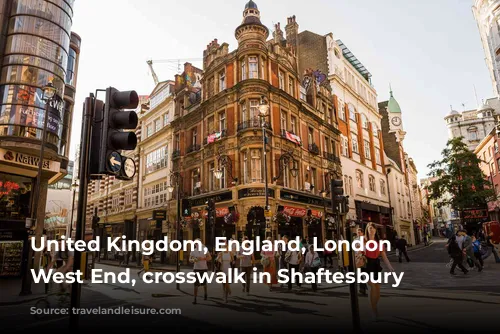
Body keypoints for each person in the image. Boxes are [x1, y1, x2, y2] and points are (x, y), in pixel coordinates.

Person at [363, 222, 394, 321]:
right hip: (366, 265)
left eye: (372, 228)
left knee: (377, 290)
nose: (371, 229)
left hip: (375, 265)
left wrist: (390, 267)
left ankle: (374, 306)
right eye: (369, 228)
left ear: (376, 230)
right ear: (367, 230)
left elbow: (384, 256)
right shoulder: (364, 240)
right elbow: (360, 252)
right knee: (372, 288)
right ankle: (373, 311)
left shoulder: (379, 242)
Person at [190, 239, 211, 304]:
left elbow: (210, 258)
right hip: (196, 269)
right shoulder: (193, 251)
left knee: (204, 283)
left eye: (197, 243)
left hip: (204, 268)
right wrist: (194, 260)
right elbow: (190, 259)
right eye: (195, 243)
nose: (196, 244)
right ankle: (195, 299)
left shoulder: (204, 249)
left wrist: (203, 259)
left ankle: (205, 294)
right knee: (196, 285)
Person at [354, 227, 367, 296]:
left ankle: (364, 286)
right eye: (357, 232)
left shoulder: (365, 239)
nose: (358, 234)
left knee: (365, 273)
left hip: (365, 258)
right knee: (360, 274)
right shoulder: (355, 240)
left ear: (362, 233)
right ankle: (362, 288)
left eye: (359, 232)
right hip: (358, 258)